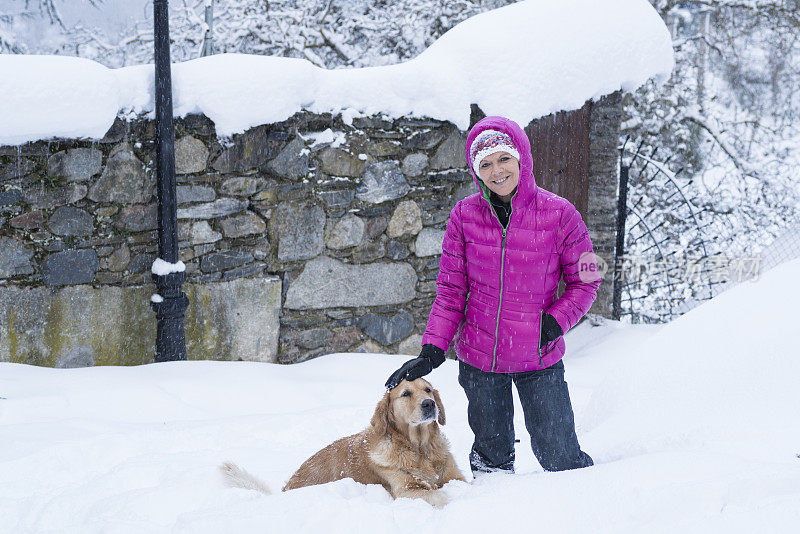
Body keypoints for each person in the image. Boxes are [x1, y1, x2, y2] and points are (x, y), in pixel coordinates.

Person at [385, 116, 601, 476]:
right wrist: (432, 349)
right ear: (475, 170)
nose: (496, 170)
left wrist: (556, 321)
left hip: (539, 357)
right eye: (485, 164)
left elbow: (589, 279)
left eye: (503, 159)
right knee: (492, 462)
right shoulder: (464, 216)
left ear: (521, 159)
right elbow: (451, 291)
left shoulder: (562, 213)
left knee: (561, 457)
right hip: (480, 359)